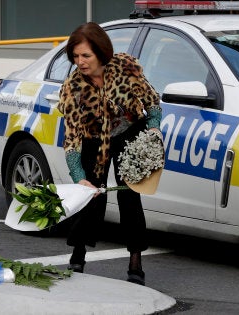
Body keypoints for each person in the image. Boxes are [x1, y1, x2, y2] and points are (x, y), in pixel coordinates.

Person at [57, 22, 161, 286]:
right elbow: (71, 139)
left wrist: (153, 131)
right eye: (75, 56)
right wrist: (78, 176)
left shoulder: (126, 68)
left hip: (129, 134)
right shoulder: (73, 88)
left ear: (101, 52)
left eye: (85, 56)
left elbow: (152, 103)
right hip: (94, 140)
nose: (79, 62)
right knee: (92, 195)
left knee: (130, 195)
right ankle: (78, 252)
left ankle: (135, 261)